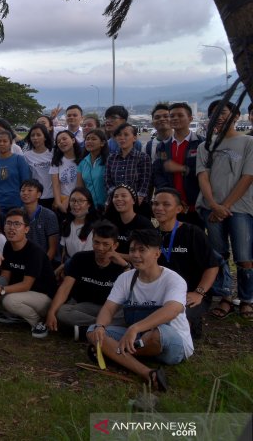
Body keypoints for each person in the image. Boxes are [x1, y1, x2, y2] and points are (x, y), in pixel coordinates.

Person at [87, 229, 194, 392]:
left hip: (171, 341)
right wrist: (101, 326)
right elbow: (109, 308)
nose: (136, 255)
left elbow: (172, 310)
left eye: (142, 250)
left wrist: (135, 327)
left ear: (157, 253)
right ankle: (146, 371)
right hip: (137, 339)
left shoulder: (174, 280)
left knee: (157, 334)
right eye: (132, 250)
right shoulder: (126, 278)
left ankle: (115, 354)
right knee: (93, 331)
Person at [196, 100, 253, 320]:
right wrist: (213, 205)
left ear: (236, 116)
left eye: (224, 112)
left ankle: (247, 298)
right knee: (219, 254)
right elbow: (203, 176)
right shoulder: (205, 146)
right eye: (213, 114)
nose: (218, 117)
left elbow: (248, 177)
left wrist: (225, 206)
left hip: (240, 207)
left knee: (244, 256)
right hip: (211, 208)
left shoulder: (248, 143)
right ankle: (225, 296)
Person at [152, 188, 219, 338]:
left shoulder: (193, 232)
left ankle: (190, 325)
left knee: (176, 324)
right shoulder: (152, 234)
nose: (159, 208)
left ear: (179, 209)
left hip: (189, 294)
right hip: (161, 293)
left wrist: (199, 293)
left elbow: (212, 267)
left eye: (166, 204)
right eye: (155, 203)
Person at [45, 220, 128, 340]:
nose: (100, 248)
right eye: (96, 242)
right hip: (84, 307)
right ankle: (103, 329)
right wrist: (51, 312)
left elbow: (130, 291)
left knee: (126, 315)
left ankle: (87, 330)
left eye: (106, 244)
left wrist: (125, 265)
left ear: (115, 245)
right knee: (61, 312)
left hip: (110, 308)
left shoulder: (122, 266)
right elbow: (65, 288)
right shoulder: (80, 258)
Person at [0, 208, 57, 338]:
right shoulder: (8, 246)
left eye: (17, 224)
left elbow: (26, 285)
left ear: (26, 229)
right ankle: (18, 315)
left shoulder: (35, 251)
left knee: (10, 301)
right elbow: (5, 277)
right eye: (8, 223)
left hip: (42, 297)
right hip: (21, 294)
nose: (12, 228)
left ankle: (39, 322)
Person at [152, 102, 204, 226]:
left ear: (190, 119)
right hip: (171, 207)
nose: (175, 118)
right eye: (172, 115)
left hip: (196, 205)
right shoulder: (163, 146)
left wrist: (183, 169)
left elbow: (207, 173)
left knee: (194, 240)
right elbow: (158, 173)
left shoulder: (201, 144)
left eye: (180, 115)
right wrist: (172, 196)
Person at [106, 123, 151, 211]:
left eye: (126, 134)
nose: (122, 138)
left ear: (134, 138)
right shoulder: (111, 158)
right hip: (116, 204)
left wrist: (136, 199)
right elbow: (107, 181)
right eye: (119, 135)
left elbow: (145, 181)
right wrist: (117, 197)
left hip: (138, 205)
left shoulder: (143, 158)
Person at [104, 184, 153, 262]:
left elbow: (148, 255)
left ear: (133, 200)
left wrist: (117, 255)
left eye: (123, 196)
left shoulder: (144, 224)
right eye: (115, 196)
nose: (119, 199)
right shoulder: (109, 223)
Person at [0, 131, 31, 214]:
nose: (1, 143)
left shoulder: (19, 159)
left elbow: (26, 182)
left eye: (5, 141)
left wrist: (24, 204)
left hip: (18, 204)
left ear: (10, 144)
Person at [57, 187, 98, 276]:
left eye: (80, 201)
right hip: (69, 268)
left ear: (89, 204)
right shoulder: (66, 223)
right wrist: (62, 268)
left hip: (87, 270)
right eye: (73, 200)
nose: (76, 204)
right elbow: (64, 251)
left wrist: (65, 266)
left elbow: (87, 257)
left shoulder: (95, 227)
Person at [19, 179, 59, 262]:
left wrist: (42, 266)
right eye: (22, 190)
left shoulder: (49, 215)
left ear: (39, 194)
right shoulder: (17, 214)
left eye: (30, 190)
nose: (25, 193)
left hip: (43, 261)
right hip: (22, 260)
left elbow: (53, 248)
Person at [50, 130, 82, 215]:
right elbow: (55, 184)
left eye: (64, 139)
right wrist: (58, 203)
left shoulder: (83, 159)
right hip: (62, 200)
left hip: (80, 200)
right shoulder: (56, 161)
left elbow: (81, 184)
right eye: (58, 141)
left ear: (73, 140)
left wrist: (70, 199)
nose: (61, 142)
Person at [22, 124, 54, 208]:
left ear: (45, 137)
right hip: (36, 197)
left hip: (53, 196)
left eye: (38, 135)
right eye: (32, 135)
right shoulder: (26, 156)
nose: (35, 138)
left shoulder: (53, 153)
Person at [77, 129, 109, 210]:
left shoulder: (109, 161)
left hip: (107, 206)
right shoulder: (82, 163)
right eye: (87, 139)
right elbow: (80, 188)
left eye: (93, 139)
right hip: (89, 207)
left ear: (102, 143)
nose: (89, 141)